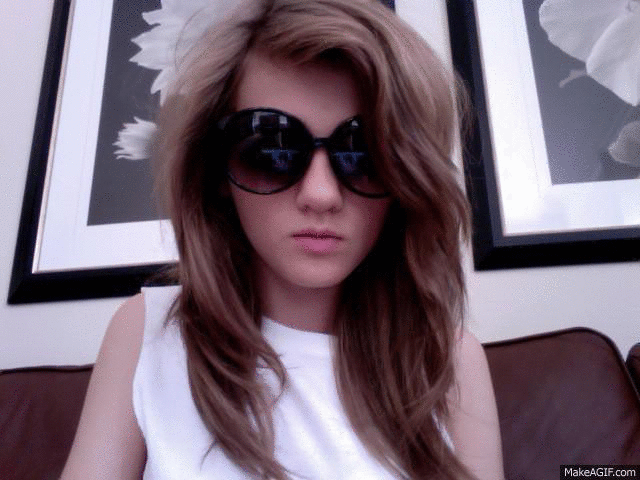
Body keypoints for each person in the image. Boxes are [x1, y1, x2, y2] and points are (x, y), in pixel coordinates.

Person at [61, 0, 504, 478]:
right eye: (271, 149)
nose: (321, 195)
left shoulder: (450, 362)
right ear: (218, 169)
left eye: (364, 153)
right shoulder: (148, 333)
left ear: (407, 178)